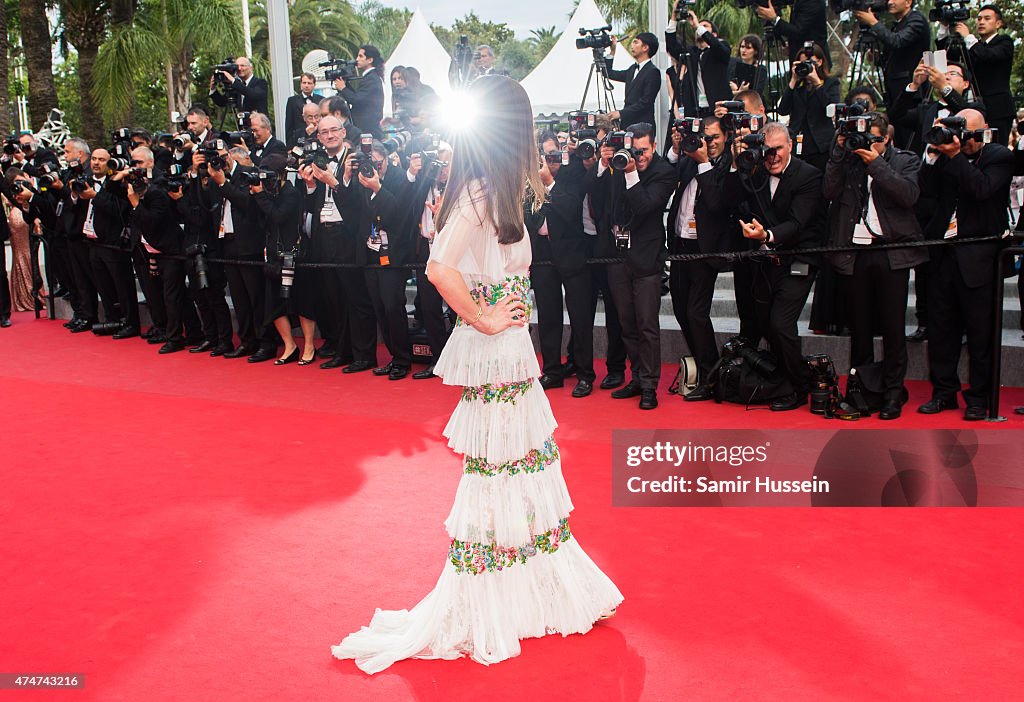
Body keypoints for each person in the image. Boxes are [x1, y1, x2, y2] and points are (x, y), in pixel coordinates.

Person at [331, 74, 622, 674]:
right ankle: (495, 594)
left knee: (522, 463)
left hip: (512, 347)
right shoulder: (479, 191)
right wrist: (485, 318)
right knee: (501, 466)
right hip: (497, 348)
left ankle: (530, 585)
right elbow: (438, 267)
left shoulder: (501, 189)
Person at [823, 112, 927, 419]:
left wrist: (876, 164)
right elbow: (828, 191)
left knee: (894, 330)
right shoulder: (849, 162)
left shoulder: (904, 160)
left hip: (891, 254)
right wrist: (839, 152)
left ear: (887, 139)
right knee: (860, 329)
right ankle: (860, 392)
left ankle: (892, 394)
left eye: (875, 139)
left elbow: (908, 195)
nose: (868, 144)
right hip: (857, 252)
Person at [917, 108, 1014, 420]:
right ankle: (943, 392)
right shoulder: (945, 155)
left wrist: (956, 155)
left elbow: (982, 189)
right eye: (961, 134)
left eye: (971, 135)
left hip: (980, 258)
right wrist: (933, 154)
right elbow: (925, 194)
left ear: (984, 131)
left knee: (980, 335)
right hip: (943, 255)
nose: (965, 141)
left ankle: (978, 398)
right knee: (941, 331)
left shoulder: (999, 156)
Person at [726, 121, 827, 410]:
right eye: (767, 150)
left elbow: (797, 222)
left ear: (791, 145)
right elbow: (730, 200)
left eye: (778, 149)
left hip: (799, 259)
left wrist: (766, 236)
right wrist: (737, 163)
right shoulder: (754, 171)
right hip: (764, 262)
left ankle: (799, 387)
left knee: (780, 323)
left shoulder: (808, 176)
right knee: (766, 325)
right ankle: (784, 380)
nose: (772, 156)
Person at [594, 122, 677, 410]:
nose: (638, 156)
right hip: (618, 257)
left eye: (643, 151)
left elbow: (644, 205)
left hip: (647, 260)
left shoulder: (664, 172)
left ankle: (650, 385)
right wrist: (606, 166)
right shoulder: (620, 164)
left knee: (647, 325)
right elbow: (601, 201)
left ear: (654, 146)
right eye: (634, 151)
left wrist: (630, 174)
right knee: (627, 324)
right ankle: (638, 377)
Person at [937, 4, 1014, 146]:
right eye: (978, 19)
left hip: (998, 109)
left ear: (998, 23)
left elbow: (988, 56)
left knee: (996, 148)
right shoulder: (972, 46)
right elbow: (947, 56)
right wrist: (944, 28)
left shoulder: (1004, 42)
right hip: (974, 107)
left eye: (987, 18)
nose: (981, 22)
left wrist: (968, 36)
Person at [855, 0, 930, 139]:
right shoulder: (898, 24)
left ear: (908, 2)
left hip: (910, 93)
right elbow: (895, 57)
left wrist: (873, 22)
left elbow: (896, 41)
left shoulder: (916, 20)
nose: (890, 2)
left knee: (907, 136)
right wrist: (877, 58)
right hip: (895, 93)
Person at [778, 42, 840, 173]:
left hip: (821, 146)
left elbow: (831, 109)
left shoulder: (831, 84)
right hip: (798, 144)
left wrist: (817, 83)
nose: (807, 66)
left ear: (820, 62)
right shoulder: (797, 87)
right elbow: (783, 110)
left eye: (810, 63)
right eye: (803, 63)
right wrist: (793, 80)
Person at [665, 12, 731, 118]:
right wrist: (673, 17)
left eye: (705, 26)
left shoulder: (720, 49)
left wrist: (697, 26)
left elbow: (718, 47)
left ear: (713, 35)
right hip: (696, 111)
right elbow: (672, 48)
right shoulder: (692, 53)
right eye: (699, 27)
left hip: (717, 109)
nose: (699, 28)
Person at [605, 32, 662, 128]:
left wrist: (621, 113)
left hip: (643, 126)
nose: (632, 45)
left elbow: (646, 102)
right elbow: (609, 73)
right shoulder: (632, 69)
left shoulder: (653, 72)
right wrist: (612, 52)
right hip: (627, 124)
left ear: (645, 48)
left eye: (636, 42)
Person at [755, 0, 829, 65]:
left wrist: (774, 19)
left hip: (814, 63)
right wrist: (791, 45)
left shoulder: (813, 2)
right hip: (799, 60)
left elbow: (798, 31)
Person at [335, 45, 385, 139]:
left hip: (367, 128)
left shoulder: (371, 78)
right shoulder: (370, 77)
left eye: (361, 56)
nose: (357, 59)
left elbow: (357, 100)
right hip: (365, 126)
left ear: (370, 60)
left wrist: (343, 88)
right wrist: (345, 85)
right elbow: (359, 96)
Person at [285, 73, 324, 148]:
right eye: (304, 83)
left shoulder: (322, 100)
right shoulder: (292, 101)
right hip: (299, 140)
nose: (306, 85)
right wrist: (289, 147)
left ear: (314, 84)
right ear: (301, 84)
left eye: (309, 83)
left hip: (319, 140)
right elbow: (289, 125)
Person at [728, 34, 769, 105]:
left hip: (753, 105)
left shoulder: (760, 70)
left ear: (755, 51)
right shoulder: (732, 65)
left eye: (748, 48)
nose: (744, 50)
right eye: (742, 47)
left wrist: (738, 91)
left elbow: (757, 92)